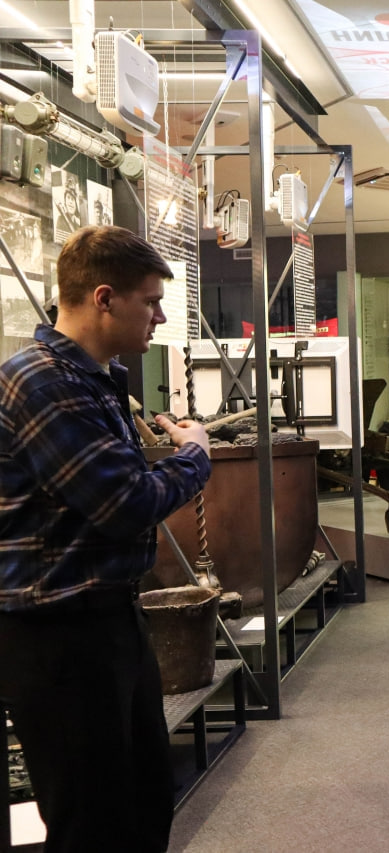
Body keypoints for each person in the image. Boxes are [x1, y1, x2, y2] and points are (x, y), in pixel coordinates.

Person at [0, 225, 212, 852]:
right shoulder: (41, 382)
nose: (160, 316)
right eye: (151, 301)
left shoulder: (92, 379)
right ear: (104, 298)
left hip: (109, 620)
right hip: (58, 636)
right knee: (93, 826)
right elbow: (127, 504)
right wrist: (195, 455)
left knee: (144, 802)